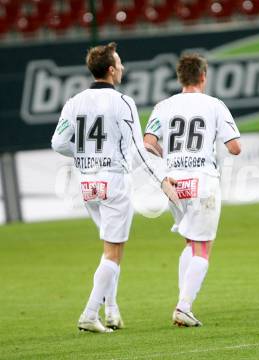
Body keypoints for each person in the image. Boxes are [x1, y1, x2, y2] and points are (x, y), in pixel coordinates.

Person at [51, 42, 179, 333]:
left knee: (110, 249)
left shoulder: (74, 102)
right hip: (113, 181)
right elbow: (136, 149)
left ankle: (111, 310)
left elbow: (58, 143)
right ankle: (89, 313)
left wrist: (84, 155)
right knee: (113, 251)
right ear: (110, 70)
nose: (122, 68)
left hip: (87, 184)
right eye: (119, 64)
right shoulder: (122, 102)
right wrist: (161, 178)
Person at [144, 53, 241, 327]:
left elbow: (148, 142)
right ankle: (183, 306)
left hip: (174, 183)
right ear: (202, 76)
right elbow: (235, 147)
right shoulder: (214, 105)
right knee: (202, 247)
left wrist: (167, 160)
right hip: (202, 181)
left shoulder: (164, 106)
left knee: (190, 241)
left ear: (180, 78)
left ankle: (183, 300)